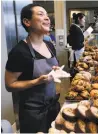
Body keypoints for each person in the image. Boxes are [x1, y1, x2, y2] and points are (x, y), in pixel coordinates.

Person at [5, 4, 60, 133]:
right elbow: (9, 85)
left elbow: (51, 68)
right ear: (27, 22)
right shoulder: (19, 52)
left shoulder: (49, 45)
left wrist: (55, 70)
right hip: (33, 114)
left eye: (47, 15)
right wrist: (36, 81)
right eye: (41, 14)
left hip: (53, 107)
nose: (47, 18)